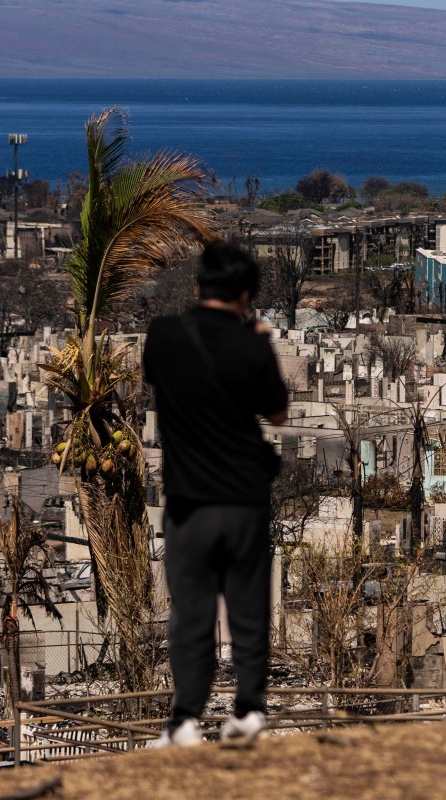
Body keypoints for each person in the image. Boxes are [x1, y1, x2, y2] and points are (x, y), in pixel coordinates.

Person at [142, 240, 288, 747]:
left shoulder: (162, 336)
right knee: (248, 608)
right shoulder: (254, 344)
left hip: (189, 501)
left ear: (197, 286)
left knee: (191, 612)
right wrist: (255, 341)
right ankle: (249, 711)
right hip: (246, 497)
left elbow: (157, 381)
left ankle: (184, 721)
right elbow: (277, 415)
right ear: (247, 294)